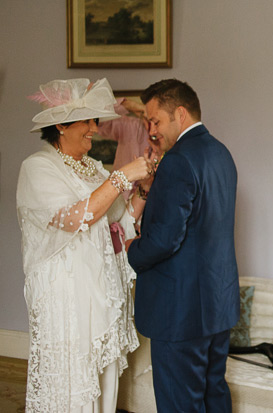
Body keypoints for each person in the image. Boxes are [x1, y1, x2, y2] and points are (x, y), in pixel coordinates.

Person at [16, 78, 152, 412]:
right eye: (88, 121)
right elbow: (76, 217)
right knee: (72, 379)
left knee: (103, 378)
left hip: (99, 290)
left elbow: (118, 220)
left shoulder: (92, 167)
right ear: (61, 125)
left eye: (95, 120)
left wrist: (144, 189)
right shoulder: (37, 168)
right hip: (65, 297)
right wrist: (121, 176)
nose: (95, 128)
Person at [126, 79, 240, 412]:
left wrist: (130, 248)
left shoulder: (178, 160)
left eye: (156, 121)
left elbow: (165, 239)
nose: (151, 131)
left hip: (180, 312)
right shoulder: (221, 153)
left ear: (180, 113)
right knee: (213, 393)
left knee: (180, 404)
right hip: (216, 306)